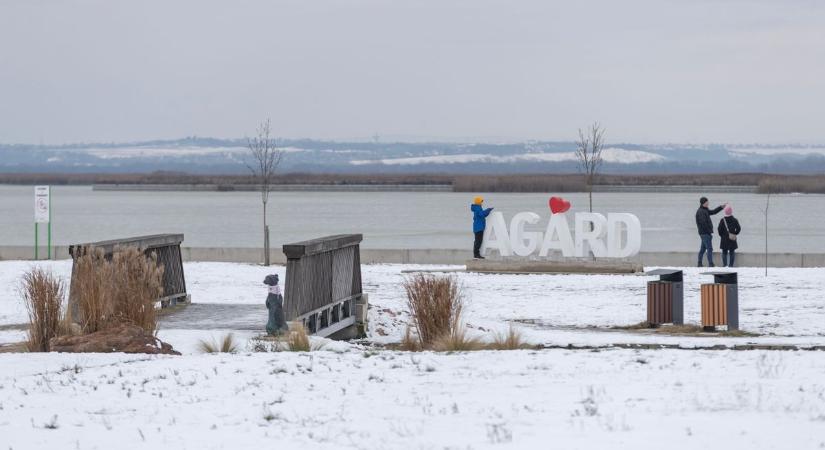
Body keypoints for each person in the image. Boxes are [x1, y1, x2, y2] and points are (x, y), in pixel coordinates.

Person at [695, 196, 726, 267]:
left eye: (708, 202)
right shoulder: (700, 212)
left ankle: (699, 263)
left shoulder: (705, 210)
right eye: (707, 202)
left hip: (704, 233)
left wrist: (721, 207)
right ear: (703, 203)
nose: (708, 203)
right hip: (705, 233)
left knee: (703, 249)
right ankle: (711, 263)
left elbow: (713, 212)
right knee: (709, 248)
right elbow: (703, 223)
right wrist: (709, 232)